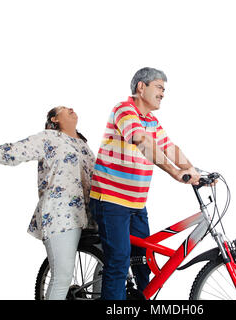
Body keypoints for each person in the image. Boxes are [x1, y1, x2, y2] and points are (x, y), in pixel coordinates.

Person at [0, 106, 96, 300]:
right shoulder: (48, 138)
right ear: (54, 119)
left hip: (89, 216)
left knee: (111, 264)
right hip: (60, 215)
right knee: (62, 278)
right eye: (63, 108)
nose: (70, 108)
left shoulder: (84, 145)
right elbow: (12, 151)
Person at [89, 67, 201, 300]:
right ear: (142, 87)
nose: (163, 93)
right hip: (111, 201)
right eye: (159, 87)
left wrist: (194, 170)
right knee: (119, 261)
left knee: (142, 262)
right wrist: (174, 172)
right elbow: (142, 141)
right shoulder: (124, 110)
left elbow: (169, 148)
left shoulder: (151, 120)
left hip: (136, 204)